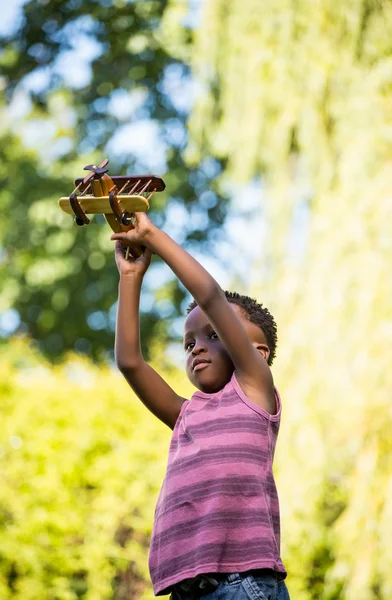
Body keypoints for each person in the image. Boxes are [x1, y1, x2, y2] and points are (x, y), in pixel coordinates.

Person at [111, 212, 290, 600]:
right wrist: (130, 278)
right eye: (189, 343)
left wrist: (152, 237)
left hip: (241, 584)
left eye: (213, 334)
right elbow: (129, 361)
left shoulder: (255, 392)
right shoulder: (185, 415)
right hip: (186, 590)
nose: (197, 348)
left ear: (257, 352)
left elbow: (210, 295)